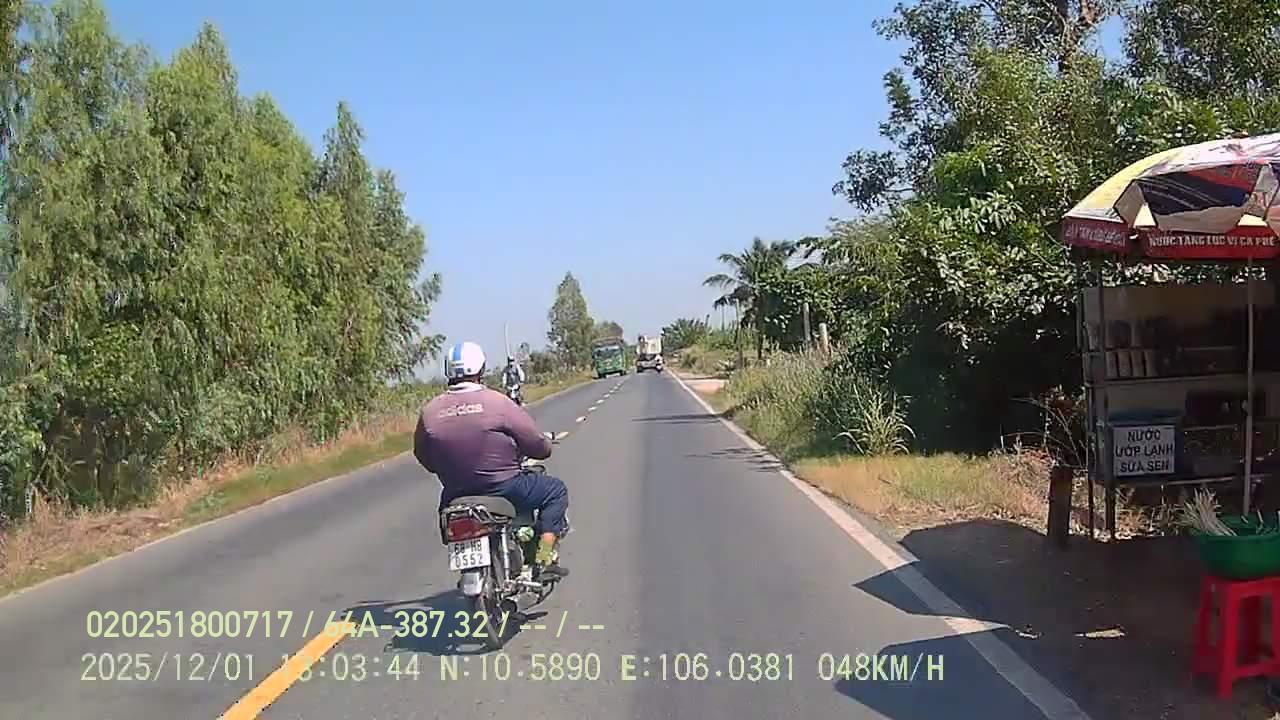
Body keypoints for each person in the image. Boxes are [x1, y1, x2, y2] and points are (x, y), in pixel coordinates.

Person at [414, 341, 569, 580]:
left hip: (455, 492)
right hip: (505, 486)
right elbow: (536, 443)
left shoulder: (430, 411)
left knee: (449, 518)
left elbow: (422, 454)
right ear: (481, 368)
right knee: (556, 491)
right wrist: (544, 447)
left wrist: (448, 471)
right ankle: (545, 558)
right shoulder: (497, 402)